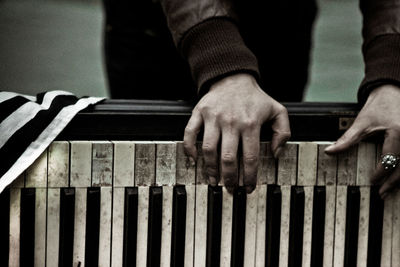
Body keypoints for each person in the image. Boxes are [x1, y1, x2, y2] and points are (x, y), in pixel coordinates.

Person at [103, 0, 400, 197]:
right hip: (157, 28)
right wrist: (222, 62)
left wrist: (392, 73)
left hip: (279, 19)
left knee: (262, 163)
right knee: (153, 183)